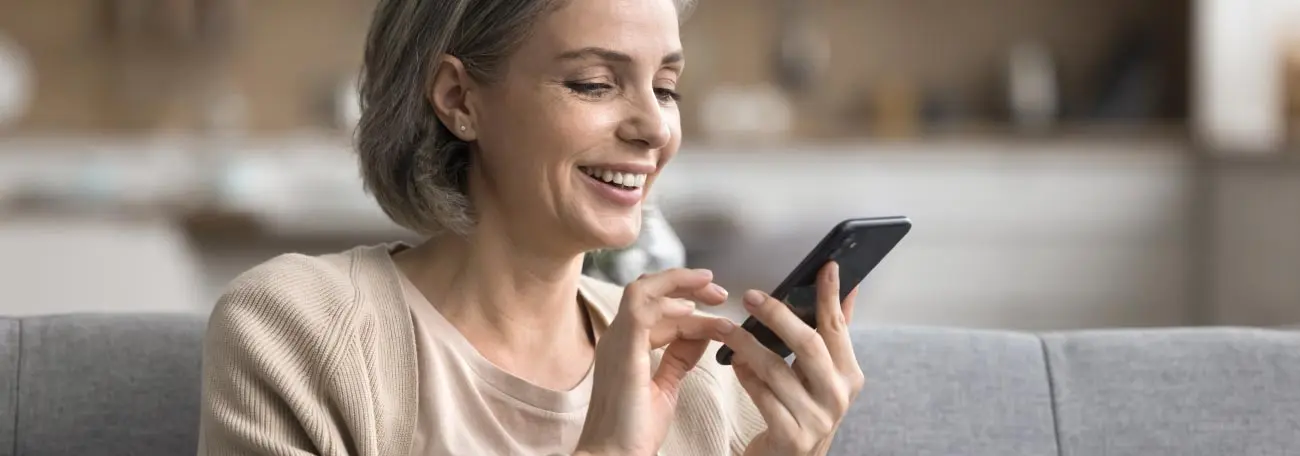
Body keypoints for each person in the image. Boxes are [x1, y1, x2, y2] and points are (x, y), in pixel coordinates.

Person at [197, 0, 866, 455]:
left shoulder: (700, 377)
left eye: (665, 87)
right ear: (460, 100)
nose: (655, 127)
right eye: (595, 84)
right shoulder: (294, 332)